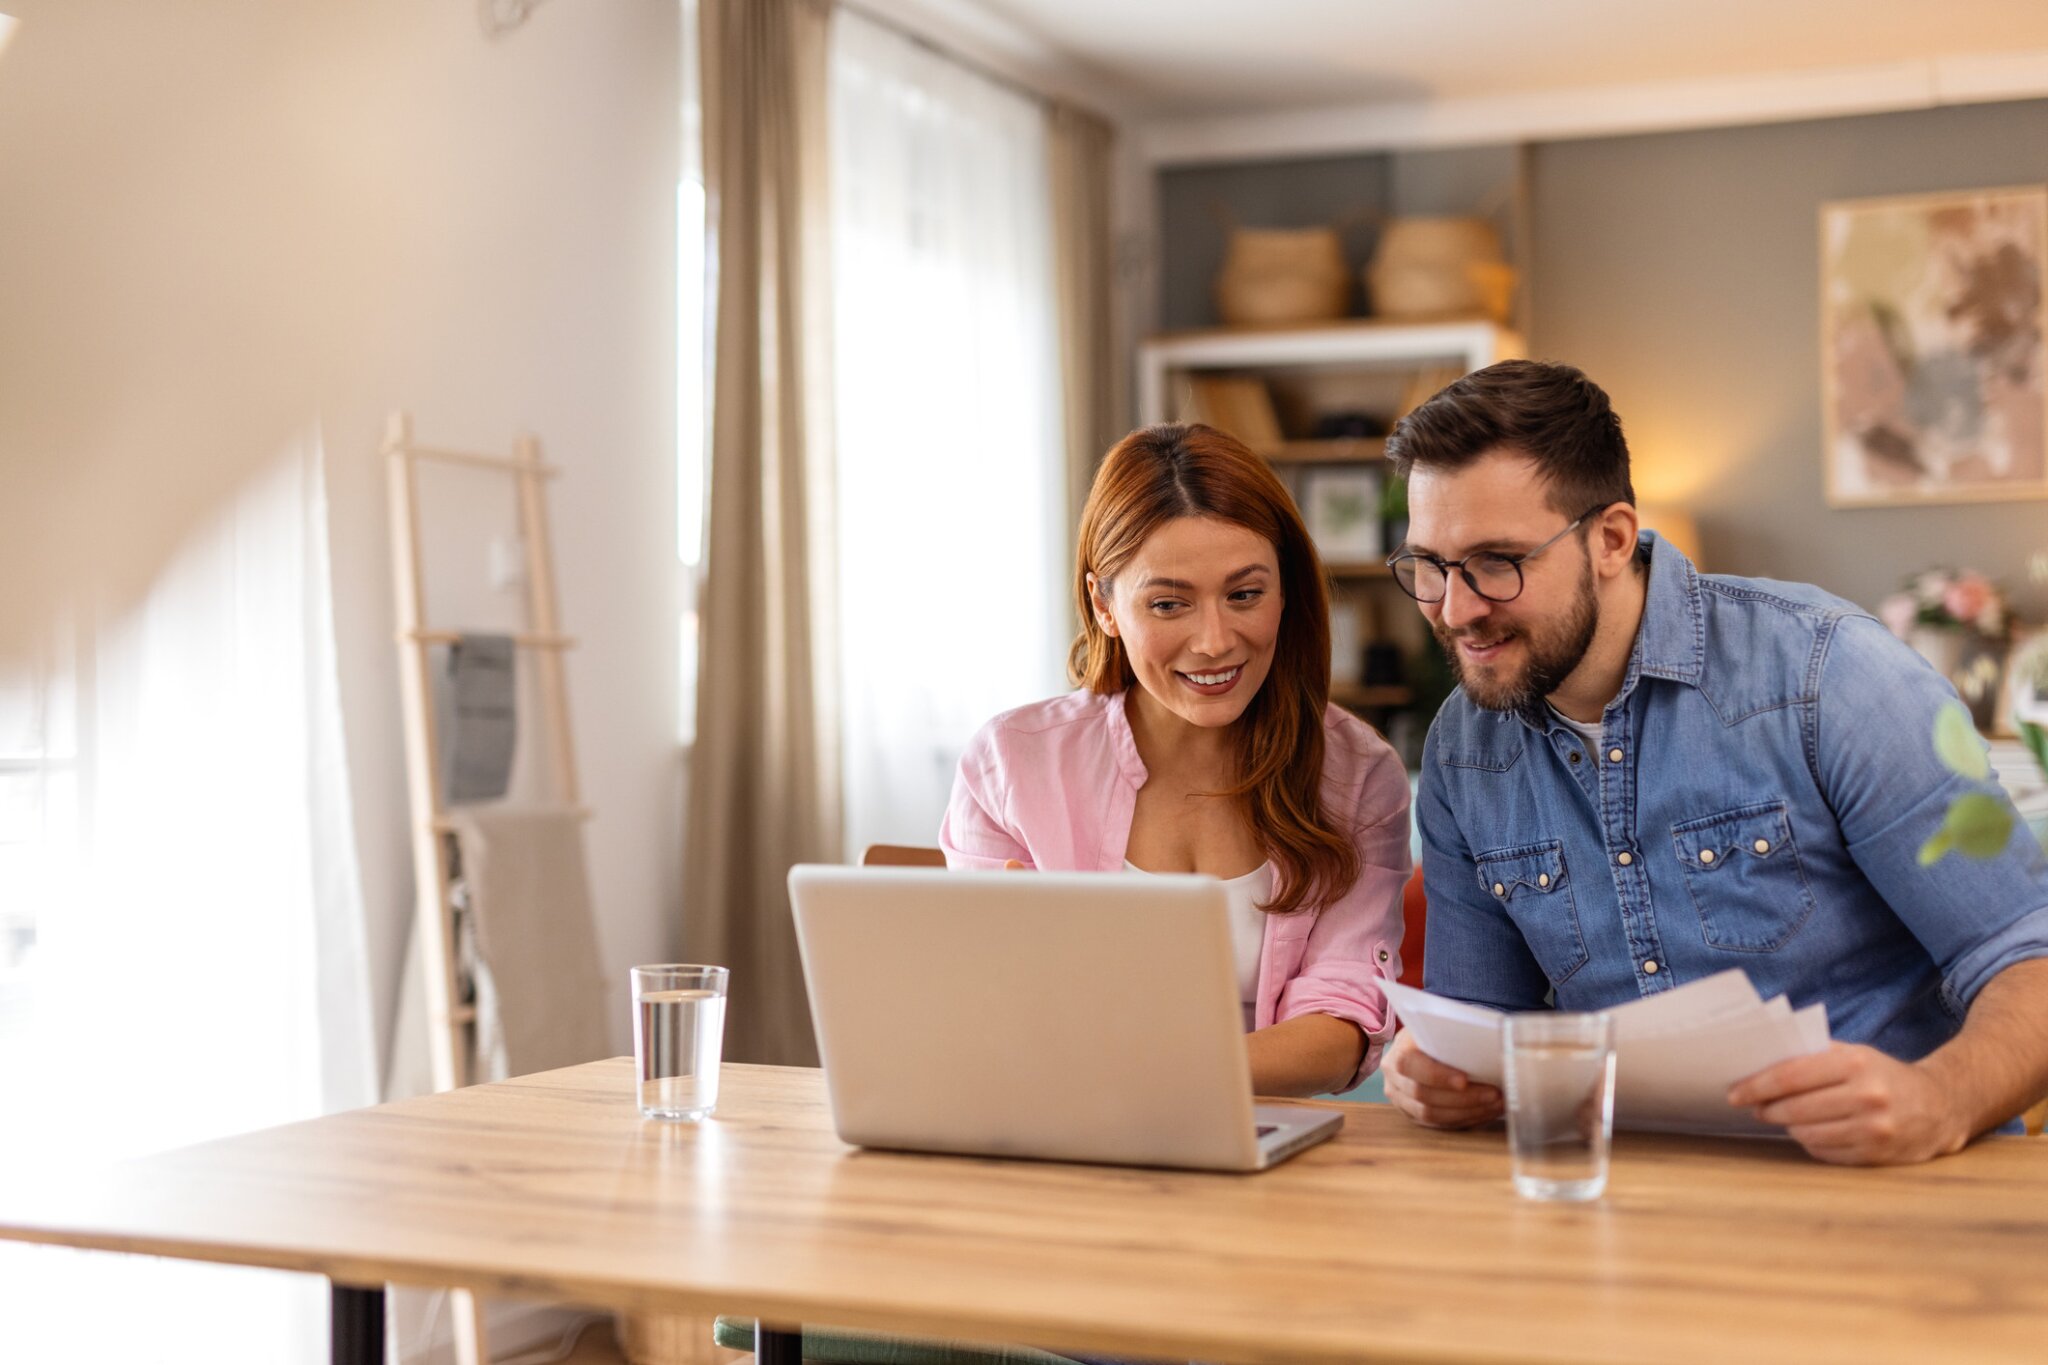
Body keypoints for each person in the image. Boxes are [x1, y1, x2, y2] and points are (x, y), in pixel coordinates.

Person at [1378, 358, 2048, 1164]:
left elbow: (2026, 953)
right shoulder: (1464, 748)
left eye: (1496, 562)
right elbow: (1480, 1027)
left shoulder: (1828, 677)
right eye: (1430, 566)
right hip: (1627, 1204)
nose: (1455, 610)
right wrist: (1437, 1079)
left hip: (1889, 1184)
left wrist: (1941, 1098)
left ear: (1612, 539)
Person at [941, 422, 1412, 1097]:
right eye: (1169, 603)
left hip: (1269, 1147)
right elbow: (984, 1017)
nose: (1215, 641)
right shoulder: (1011, 764)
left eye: (1245, 594)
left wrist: (1160, 1073)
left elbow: (1341, 1025)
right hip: (1069, 1138)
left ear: (1287, 591)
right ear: (1104, 605)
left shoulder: (1359, 775)